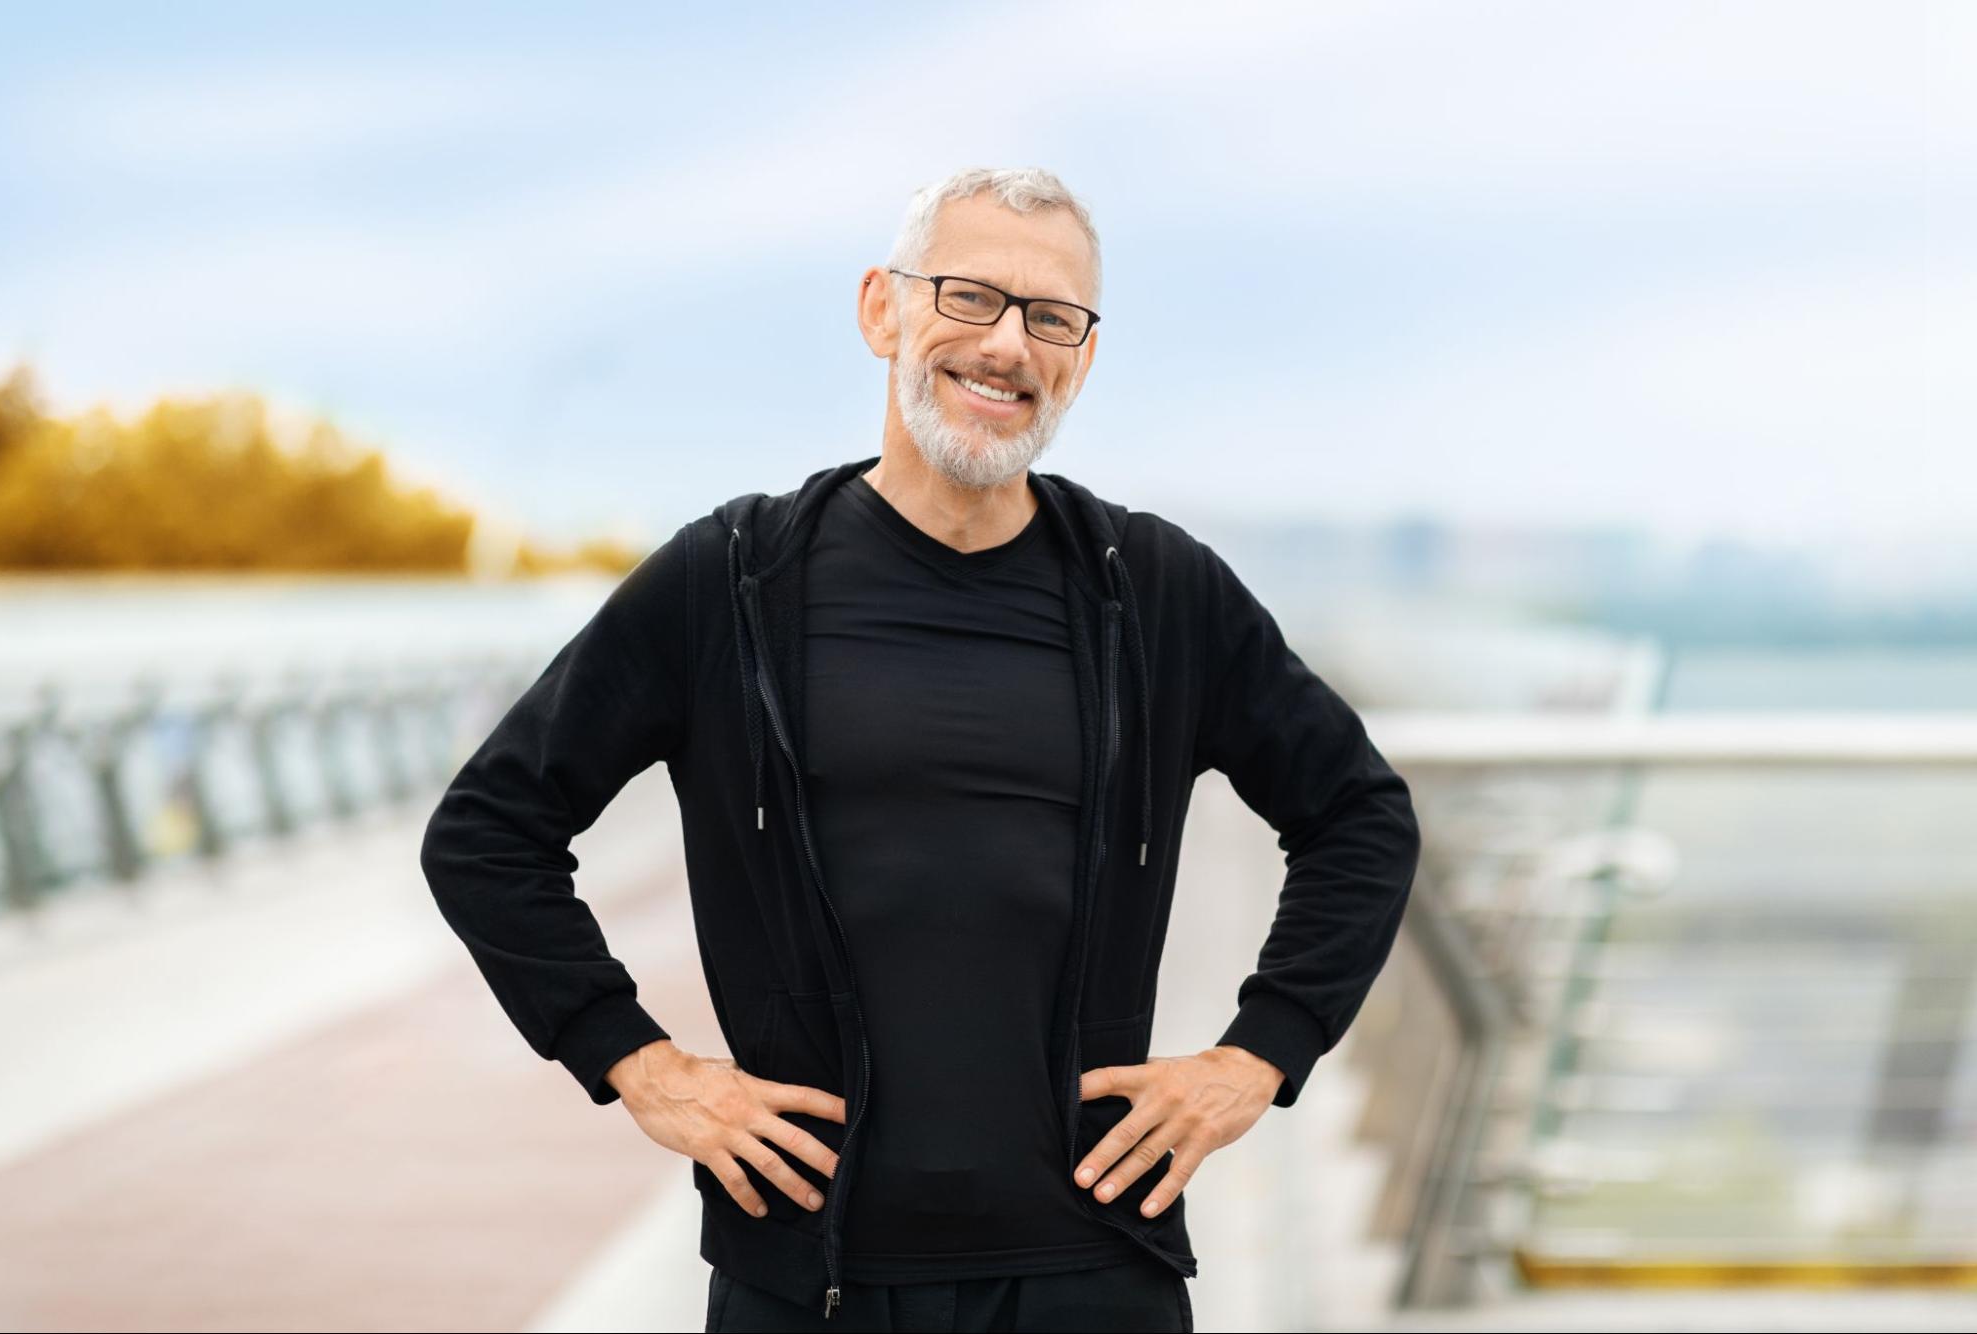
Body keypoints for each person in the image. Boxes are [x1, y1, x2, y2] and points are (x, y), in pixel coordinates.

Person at [419, 166, 1422, 1333]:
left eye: (1052, 317)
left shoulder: (1152, 590)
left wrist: (1259, 1052)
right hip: (809, 1272)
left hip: (1091, 1261)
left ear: (1082, 358)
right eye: (969, 297)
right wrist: (640, 1062)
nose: (1007, 345)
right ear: (881, 310)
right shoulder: (731, 581)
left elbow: (1358, 811)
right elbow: (488, 832)